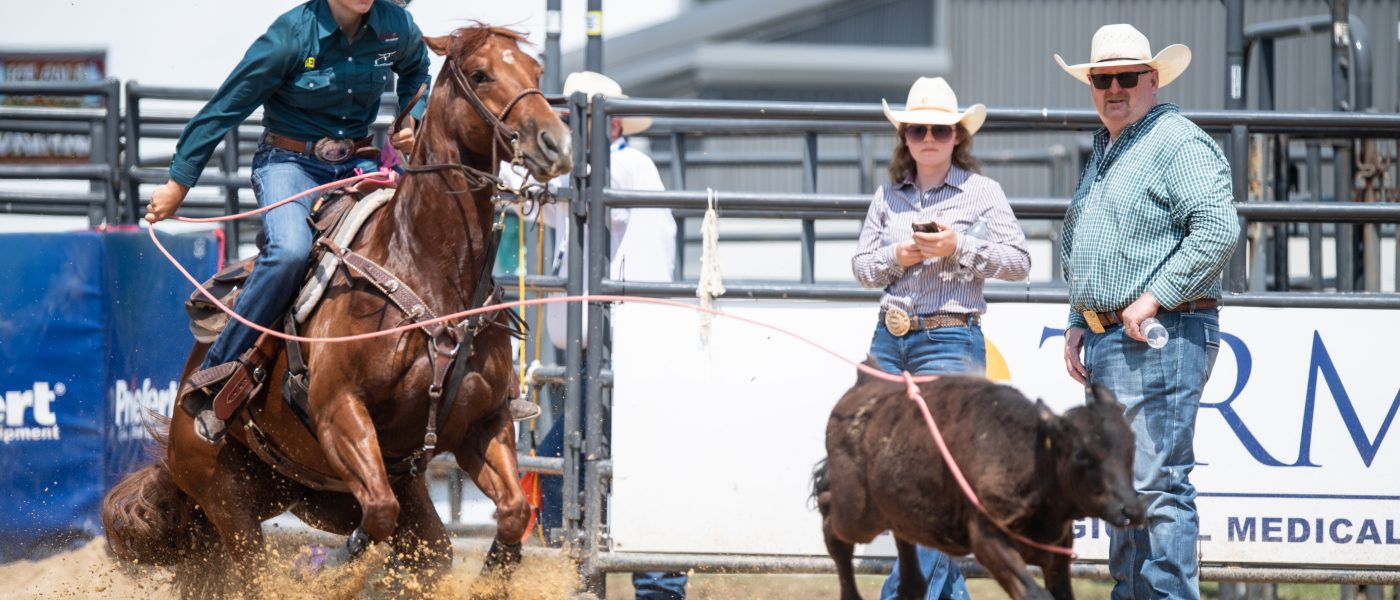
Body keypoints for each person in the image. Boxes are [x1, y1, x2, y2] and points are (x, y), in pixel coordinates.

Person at [144, 0, 431, 444]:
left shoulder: (396, 26)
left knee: (418, 236)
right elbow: (226, 107)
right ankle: (220, 370)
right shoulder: (289, 37)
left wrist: (411, 114)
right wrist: (178, 183)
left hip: (357, 162)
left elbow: (417, 70)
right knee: (290, 251)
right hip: (287, 163)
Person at [1054, 24, 1238, 600]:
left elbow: (1218, 228)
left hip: (1162, 331)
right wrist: (1078, 320)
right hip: (1118, 336)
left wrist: (1153, 296)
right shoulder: (1114, 146)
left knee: (1155, 487)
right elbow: (1095, 245)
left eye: (1125, 77)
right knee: (1128, 487)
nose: (1113, 88)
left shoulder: (1174, 141)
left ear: (1151, 80)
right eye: (1101, 78)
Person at [502, 71, 685, 600]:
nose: (570, 127)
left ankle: (624, 576)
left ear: (612, 122)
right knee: (584, 451)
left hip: (622, 333)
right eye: (570, 117)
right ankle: (598, 570)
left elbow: (559, 192)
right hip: (596, 339)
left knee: (603, 454)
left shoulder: (626, 164)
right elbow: (543, 192)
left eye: (582, 117)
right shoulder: (592, 169)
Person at [851, 76, 1030, 600]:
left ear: (957, 137)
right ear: (905, 137)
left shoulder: (982, 193)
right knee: (899, 477)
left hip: (949, 339)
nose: (928, 137)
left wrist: (959, 247)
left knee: (931, 481)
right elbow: (863, 267)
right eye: (917, 129)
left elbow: (1020, 261)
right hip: (890, 338)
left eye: (940, 129)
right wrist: (897, 258)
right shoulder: (887, 196)